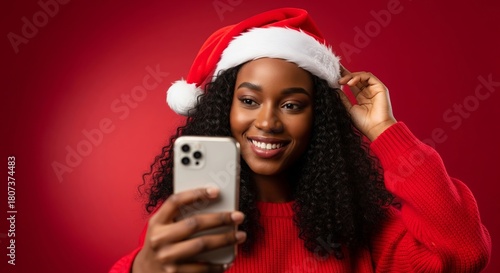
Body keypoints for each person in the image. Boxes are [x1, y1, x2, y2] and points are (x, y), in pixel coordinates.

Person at [110, 7, 491, 273]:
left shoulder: (363, 229)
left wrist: (385, 131)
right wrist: (144, 269)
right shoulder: (189, 220)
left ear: (319, 118)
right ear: (224, 107)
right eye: (248, 100)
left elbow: (464, 252)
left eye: (292, 104)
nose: (267, 121)